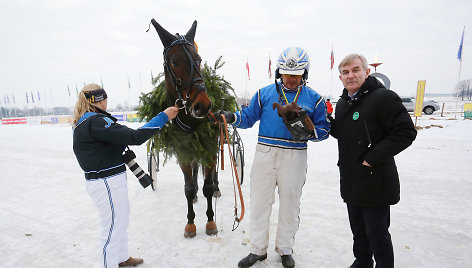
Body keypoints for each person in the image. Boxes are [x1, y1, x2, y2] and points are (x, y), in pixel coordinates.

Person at [214, 47, 330, 268]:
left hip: (295, 155)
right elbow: (248, 118)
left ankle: (285, 249)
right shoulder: (264, 93)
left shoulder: (314, 98)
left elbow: (325, 129)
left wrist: (310, 132)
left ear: (304, 74)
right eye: (287, 74)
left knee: (290, 204)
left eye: (296, 75)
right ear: (279, 72)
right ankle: (257, 249)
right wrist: (231, 117)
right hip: (265, 153)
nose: (291, 79)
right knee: (259, 202)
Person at [72, 83, 178, 268]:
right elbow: (135, 137)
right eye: (103, 98)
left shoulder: (87, 120)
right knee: (112, 227)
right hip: (106, 182)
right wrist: (164, 117)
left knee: (120, 220)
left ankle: (121, 258)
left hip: (107, 181)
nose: (106, 101)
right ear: (95, 100)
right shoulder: (96, 121)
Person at [329, 54, 417, 268]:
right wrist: (316, 123)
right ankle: (362, 262)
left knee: (377, 234)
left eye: (356, 70)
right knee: (358, 231)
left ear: (367, 72)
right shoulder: (342, 103)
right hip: (352, 179)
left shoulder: (383, 97)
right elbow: (344, 133)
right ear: (340, 77)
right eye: (346, 72)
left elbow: (405, 132)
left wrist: (371, 159)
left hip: (375, 180)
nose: (351, 76)